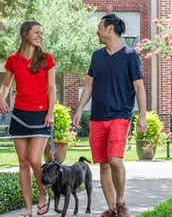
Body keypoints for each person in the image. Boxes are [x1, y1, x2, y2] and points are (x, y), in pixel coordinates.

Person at [73, 14, 147, 217]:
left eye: (99, 27)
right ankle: (112, 208)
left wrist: (142, 116)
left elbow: (139, 87)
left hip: (120, 115)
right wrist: (79, 109)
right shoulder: (97, 56)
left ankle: (121, 201)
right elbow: (89, 85)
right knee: (103, 164)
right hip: (97, 117)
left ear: (110, 28)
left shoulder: (130, 55)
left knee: (114, 159)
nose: (97, 31)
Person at [0, 21, 56, 217]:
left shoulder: (47, 58)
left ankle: (43, 194)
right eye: (36, 32)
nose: (40, 35)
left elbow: (51, 89)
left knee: (34, 159)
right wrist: (1, 98)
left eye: (41, 32)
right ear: (25, 34)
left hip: (40, 115)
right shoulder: (13, 60)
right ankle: (27, 208)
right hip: (20, 115)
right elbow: (6, 85)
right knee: (22, 162)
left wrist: (50, 113)